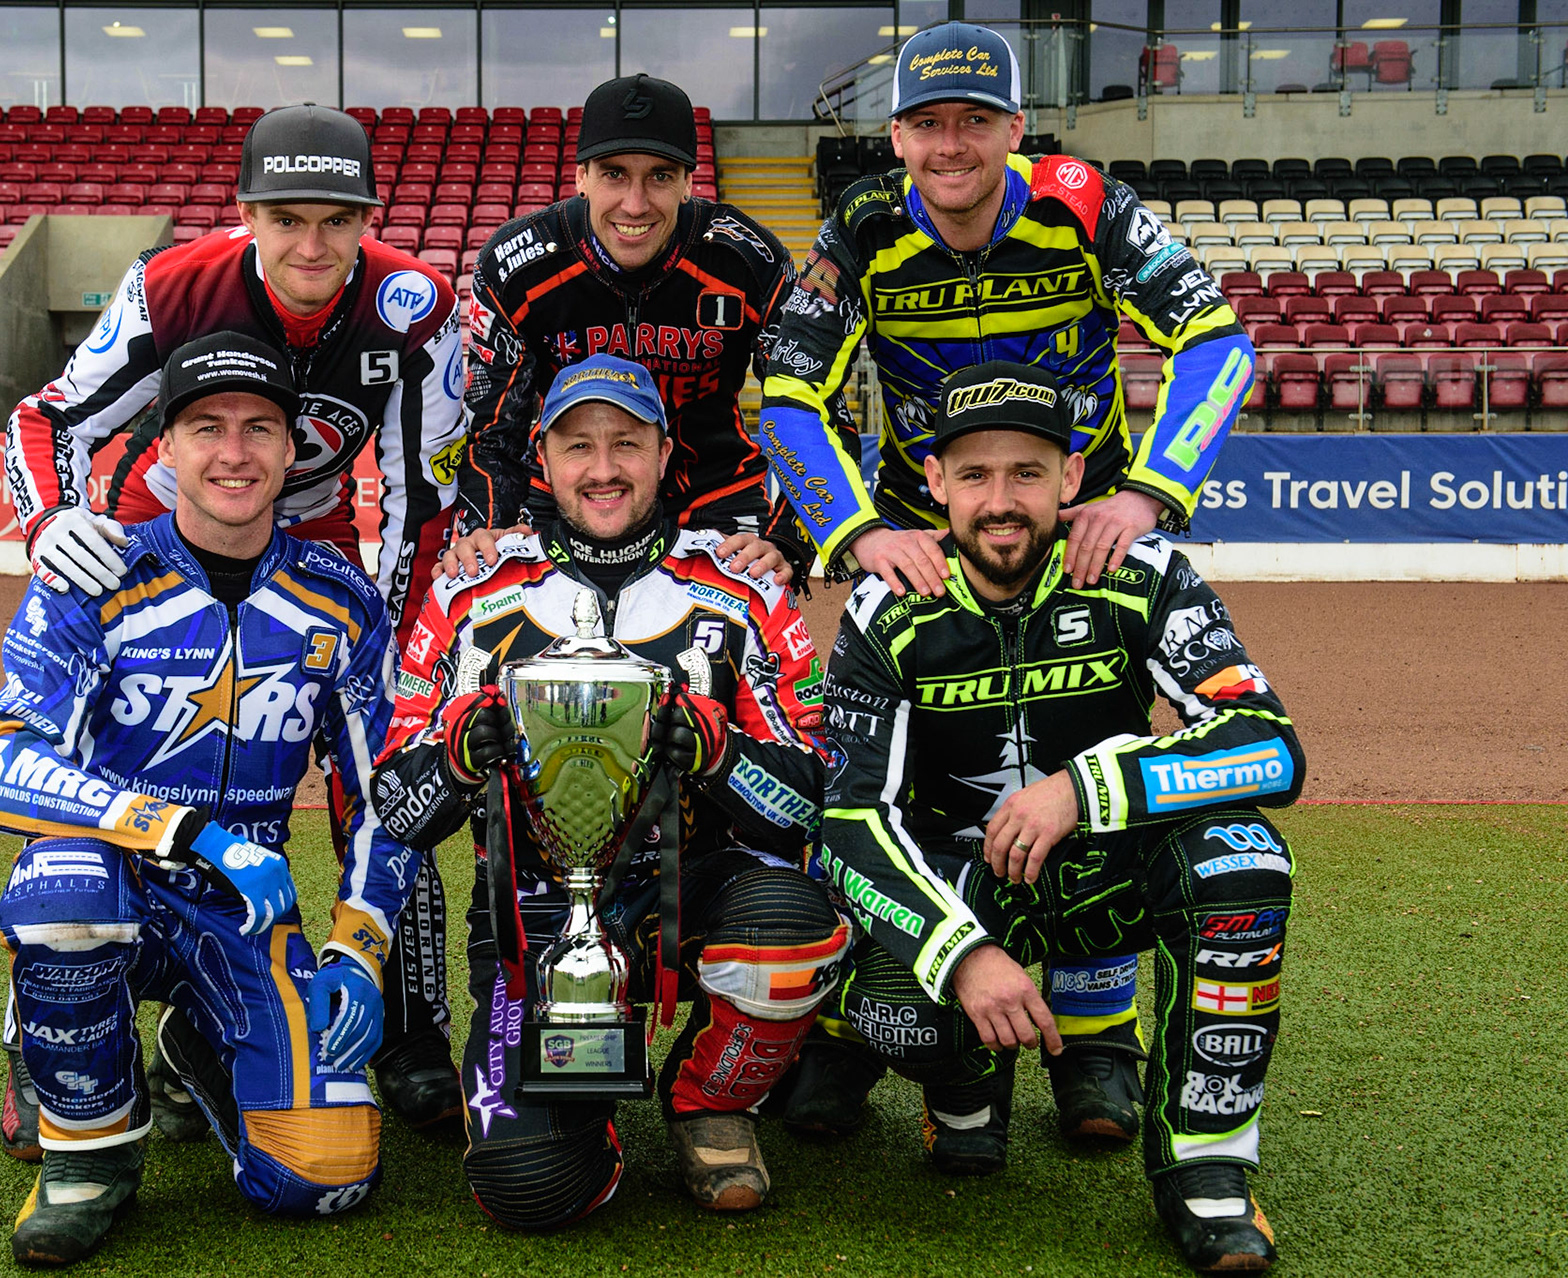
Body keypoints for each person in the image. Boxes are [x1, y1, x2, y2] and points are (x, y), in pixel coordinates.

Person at [758, 21, 1257, 1142]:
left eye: (975, 122)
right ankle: (857, 1021)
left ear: (1014, 129)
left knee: (1093, 754)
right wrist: (853, 532)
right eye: (929, 124)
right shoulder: (863, 226)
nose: (952, 146)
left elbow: (1219, 343)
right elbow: (786, 390)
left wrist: (1148, 500)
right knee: (902, 779)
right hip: (935, 534)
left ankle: (1100, 1035)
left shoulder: (1088, 202)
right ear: (896, 137)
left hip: (1081, 522)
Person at [0, 104, 465, 1143]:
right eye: (287, 217)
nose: (312, 244)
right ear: (246, 211)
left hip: (323, 544)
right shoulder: (171, 285)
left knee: (385, 769)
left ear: (368, 220)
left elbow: (421, 500)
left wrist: (378, 652)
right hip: (160, 519)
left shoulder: (414, 305)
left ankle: (406, 1024)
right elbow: (52, 418)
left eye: (337, 221)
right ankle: (49, 1029)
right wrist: (49, 526)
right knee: (103, 754)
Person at [815, 361, 1300, 1273]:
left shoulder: (1143, 572)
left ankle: (1208, 1173)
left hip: (1101, 875)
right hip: (962, 887)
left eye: (1027, 474)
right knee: (913, 1023)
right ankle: (962, 1084)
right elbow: (847, 819)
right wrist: (959, 953)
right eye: (975, 476)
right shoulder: (890, 603)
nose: (1001, 502)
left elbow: (1269, 746)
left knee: (1245, 866)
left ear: (1071, 479)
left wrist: (1088, 787)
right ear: (936, 485)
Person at [0, 333, 418, 1265]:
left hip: (244, 909)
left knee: (325, 1179)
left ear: (295, 450)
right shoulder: (94, 577)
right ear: (163, 448)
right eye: (204, 428)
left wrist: (362, 945)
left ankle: (199, 1039)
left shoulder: (343, 597)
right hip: (108, 876)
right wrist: (181, 829)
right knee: (65, 893)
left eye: (260, 428)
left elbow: (386, 794)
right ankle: (90, 1157)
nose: (234, 452)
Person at [375, 356, 848, 1225]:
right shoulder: (469, 590)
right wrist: (455, 758)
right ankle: (580, 1110)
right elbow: (395, 807)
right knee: (528, 1190)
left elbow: (812, 792)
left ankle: (709, 1103)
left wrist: (718, 751)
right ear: (542, 462)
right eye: (578, 446)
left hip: (699, 890)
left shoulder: (741, 586)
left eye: (626, 444)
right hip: (534, 921)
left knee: (790, 930)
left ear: (666, 455)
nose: (602, 469)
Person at [448, 72, 829, 588]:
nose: (635, 203)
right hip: (571, 489)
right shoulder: (518, 265)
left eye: (660, 176)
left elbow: (814, 400)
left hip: (715, 492)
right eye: (613, 174)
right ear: (580, 175)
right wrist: (484, 527)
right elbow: (493, 429)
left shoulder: (747, 261)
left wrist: (787, 539)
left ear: (690, 182)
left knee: (748, 655)